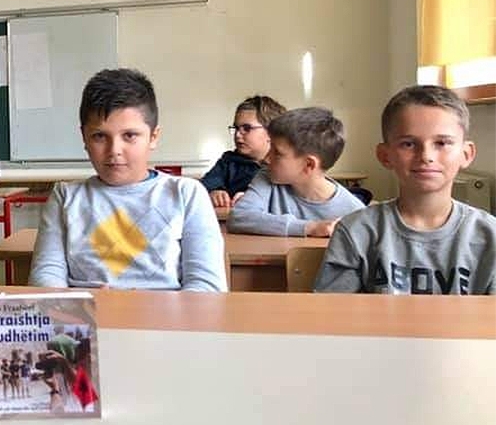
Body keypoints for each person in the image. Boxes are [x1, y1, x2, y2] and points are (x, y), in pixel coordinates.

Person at [29, 69, 227, 291]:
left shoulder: (186, 194)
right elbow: (46, 277)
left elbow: (207, 287)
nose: (114, 150)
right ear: (84, 138)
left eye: (129, 136)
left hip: (167, 322)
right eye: (99, 136)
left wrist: (134, 309)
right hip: (85, 320)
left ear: (153, 137)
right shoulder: (65, 197)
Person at [315, 86, 495, 294]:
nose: (426, 156)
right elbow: (333, 317)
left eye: (442, 143)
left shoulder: (490, 236)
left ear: (466, 154)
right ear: (385, 155)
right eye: (408, 144)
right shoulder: (356, 231)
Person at [227, 107, 365, 237]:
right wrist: (309, 227)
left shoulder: (355, 213)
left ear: (309, 164)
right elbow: (238, 217)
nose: (266, 158)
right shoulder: (266, 177)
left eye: (277, 153)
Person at [201, 95, 287, 208]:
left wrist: (253, 198)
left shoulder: (286, 163)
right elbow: (204, 186)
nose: (237, 135)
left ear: (271, 131)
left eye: (247, 128)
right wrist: (214, 192)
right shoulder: (228, 162)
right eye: (236, 128)